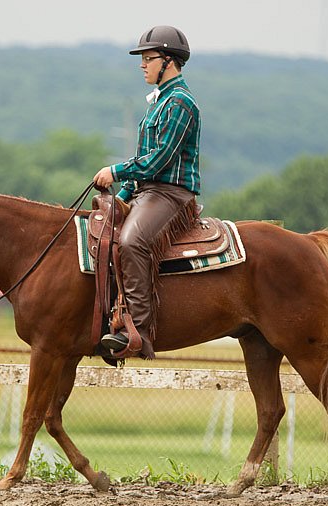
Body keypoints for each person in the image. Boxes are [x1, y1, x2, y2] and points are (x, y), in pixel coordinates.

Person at [92, 25, 201, 359]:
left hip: (171, 195)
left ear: (169, 61)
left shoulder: (181, 103)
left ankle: (136, 331)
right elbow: (145, 165)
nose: (142, 65)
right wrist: (122, 196)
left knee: (131, 242)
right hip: (146, 193)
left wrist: (116, 170)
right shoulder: (159, 103)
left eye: (148, 58)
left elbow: (159, 160)